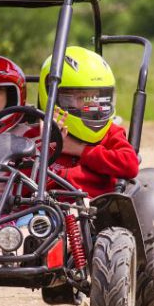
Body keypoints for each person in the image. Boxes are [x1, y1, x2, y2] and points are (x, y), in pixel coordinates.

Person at [26, 46, 139, 197]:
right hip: (44, 209)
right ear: (57, 98)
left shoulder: (110, 132)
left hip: (94, 210)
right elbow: (18, 181)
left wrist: (80, 150)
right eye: (82, 98)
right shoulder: (35, 135)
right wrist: (45, 144)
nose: (93, 105)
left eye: (96, 97)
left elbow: (130, 166)